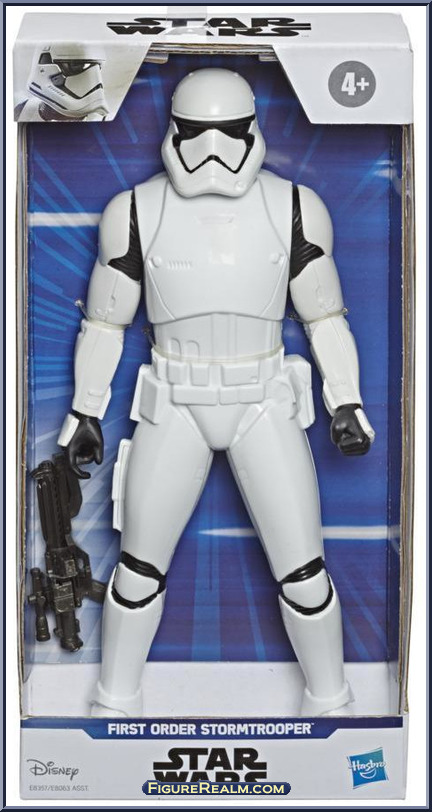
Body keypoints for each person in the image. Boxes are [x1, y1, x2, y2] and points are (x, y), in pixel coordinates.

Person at [58, 68, 374, 717]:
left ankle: (331, 704)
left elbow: (325, 317)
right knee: (137, 572)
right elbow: (106, 323)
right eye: (196, 133)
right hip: (175, 400)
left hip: (264, 399)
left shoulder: (293, 207)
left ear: (252, 131)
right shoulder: (135, 211)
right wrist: (85, 411)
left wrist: (346, 400)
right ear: (173, 130)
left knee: (304, 574)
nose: (211, 151)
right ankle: (115, 703)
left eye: (228, 132)